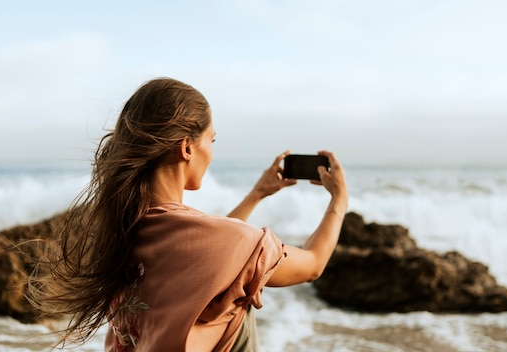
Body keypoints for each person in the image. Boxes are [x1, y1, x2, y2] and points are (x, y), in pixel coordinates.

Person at [29, 77, 348, 351]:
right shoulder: (227, 241)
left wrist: (256, 195)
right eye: (211, 139)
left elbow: (217, 250)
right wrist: (339, 201)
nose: (211, 150)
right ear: (186, 147)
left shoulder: (122, 230)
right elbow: (312, 265)